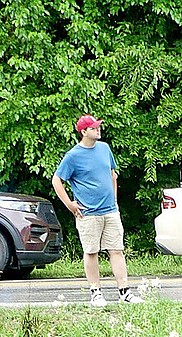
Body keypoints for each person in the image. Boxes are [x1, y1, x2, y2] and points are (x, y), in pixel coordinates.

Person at [52, 115, 142, 306]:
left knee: (117, 250)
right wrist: (70, 204)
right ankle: (96, 292)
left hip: (110, 211)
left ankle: (124, 291)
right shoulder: (73, 156)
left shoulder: (104, 148)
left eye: (98, 127)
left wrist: (115, 201)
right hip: (88, 213)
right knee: (91, 251)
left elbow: (112, 174)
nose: (98, 130)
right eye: (93, 128)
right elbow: (56, 180)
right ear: (83, 132)